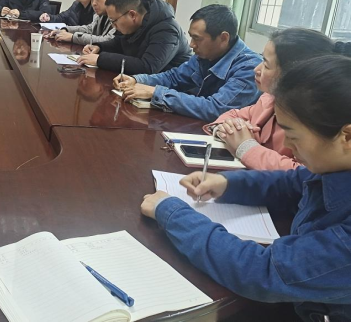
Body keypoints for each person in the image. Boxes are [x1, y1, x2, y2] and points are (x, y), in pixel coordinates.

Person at [141, 55, 351, 322]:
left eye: (293, 136)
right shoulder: (334, 168)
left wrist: (172, 213)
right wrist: (227, 184)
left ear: (347, 137)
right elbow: (292, 183)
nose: (287, 145)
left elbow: (262, 272)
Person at [204, 29, 351, 170]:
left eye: (266, 65)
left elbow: (303, 175)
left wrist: (246, 147)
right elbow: (235, 115)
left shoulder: (315, 117)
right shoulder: (269, 98)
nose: (256, 69)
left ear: (292, 74)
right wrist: (229, 129)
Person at [114, 4, 261, 121]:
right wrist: (137, 80)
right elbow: (174, 77)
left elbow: (216, 109)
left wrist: (155, 92)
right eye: (191, 37)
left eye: (197, 38)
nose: (191, 45)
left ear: (223, 38)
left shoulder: (250, 68)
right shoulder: (205, 55)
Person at [76, 0, 190, 73]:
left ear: (132, 15)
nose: (113, 26)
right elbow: (118, 42)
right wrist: (99, 47)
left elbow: (147, 67)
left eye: (114, 21)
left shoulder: (167, 31)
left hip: (171, 91)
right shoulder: (132, 24)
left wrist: (100, 59)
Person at [47, 0, 117, 45]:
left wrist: (73, 37)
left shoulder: (118, 16)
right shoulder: (100, 14)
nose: (94, 3)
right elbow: (90, 29)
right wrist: (65, 29)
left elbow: (108, 40)